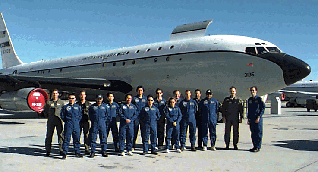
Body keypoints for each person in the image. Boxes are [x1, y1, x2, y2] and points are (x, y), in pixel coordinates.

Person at [60, 93, 83, 159]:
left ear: (75, 99)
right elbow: (62, 116)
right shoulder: (65, 107)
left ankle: (77, 151)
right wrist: (67, 121)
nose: (71, 99)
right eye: (70, 98)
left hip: (76, 124)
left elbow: (80, 116)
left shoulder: (78, 107)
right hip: (68, 124)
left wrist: (76, 121)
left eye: (73, 98)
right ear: (68, 99)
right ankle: (64, 152)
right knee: (66, 139)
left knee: (77, 139)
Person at [44, 89, 65, 156]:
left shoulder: (61, 103)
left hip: (59, 120)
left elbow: (63, 111)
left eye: (56, 93)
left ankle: (61, 149)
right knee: (49, 135)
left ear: (58, 94)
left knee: (61, 135)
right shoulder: (48, 103)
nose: (55, 95)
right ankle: (48, 150)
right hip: (51, 120)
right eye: (53, 93)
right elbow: (45, 111)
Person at [247, 86, 265, 152]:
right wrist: (248, 118)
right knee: (253, 133)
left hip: (257, 118)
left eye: (253, 90)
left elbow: (262, 108)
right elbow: (248, 110)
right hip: (251, 118)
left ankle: (258, 146)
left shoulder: (259, 99)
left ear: (256, 91)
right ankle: (254, 146)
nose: (252, 92)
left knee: (258, 133)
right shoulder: (250, 100)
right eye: (251, 91)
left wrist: (259, 117)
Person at [132, 86, 147, 150]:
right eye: (139, 90)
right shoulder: (134, 99)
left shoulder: (145, 99)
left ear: (143, 91)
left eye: (141, 90)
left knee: (144, 132)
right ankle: (132, 145)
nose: (140, 92)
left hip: (143, 118)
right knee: (134, 131)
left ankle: (144, 146)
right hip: (136, 117)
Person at [76, 90, 91, 155]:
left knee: (86, 135)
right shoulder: (77, 104)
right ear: (79, 96)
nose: (82, 96)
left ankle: (87, 148)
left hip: (86, 121)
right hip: (79, 122)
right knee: (77, 135)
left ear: (85, 96)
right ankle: (77, 148)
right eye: (81, 95)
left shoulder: (88, 104)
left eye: (83, 95)